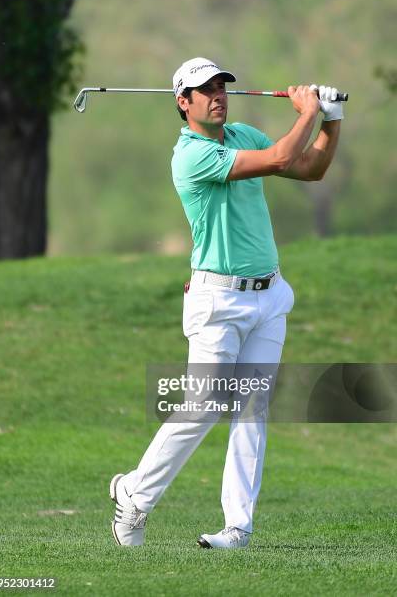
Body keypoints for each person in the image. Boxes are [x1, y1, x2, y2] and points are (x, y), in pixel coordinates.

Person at [110, 57, 343, 548]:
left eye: (221, 86)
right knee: (203, 407)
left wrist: (331, 119)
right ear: (183, 101)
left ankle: (237, 527)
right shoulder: (190, 156)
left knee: (252, 410)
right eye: (205, 89)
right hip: (218, 301)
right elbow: (280, 158)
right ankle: (135, 495)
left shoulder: (242, 134)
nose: (218, 94)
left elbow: (310, 168)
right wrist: (306, 111)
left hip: (269, 295)